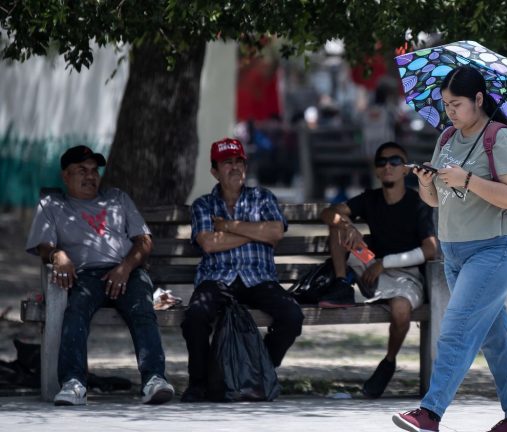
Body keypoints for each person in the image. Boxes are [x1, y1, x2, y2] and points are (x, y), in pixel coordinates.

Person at [393, 65, 507, 432]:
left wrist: (468, 179)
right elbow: (438, 200)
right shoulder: (446, 139)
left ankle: (430, 413)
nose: (450, 111)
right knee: (495, 336)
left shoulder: (500, 138)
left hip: (496, 250)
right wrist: (426, 184)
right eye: (445, 104)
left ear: (479, 100)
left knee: (455, 328)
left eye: (456, 104)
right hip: (454, 253)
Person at [25, 145, 174, 406]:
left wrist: (125, 268)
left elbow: (144, 241)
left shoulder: (117, 198)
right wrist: (58, 255)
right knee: (76, 309)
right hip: (84, 276)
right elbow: (44, 247)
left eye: (94, 170)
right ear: (65, 176)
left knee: (142, 309)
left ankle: (154, 380)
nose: (90, 176)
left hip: (125, 271)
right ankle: (74, 383)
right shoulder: (53, 204)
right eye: (81, 170)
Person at [180, 138, 303, 402]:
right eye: (227, 163)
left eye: (239, 161)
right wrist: (256, 233)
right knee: (195, 317)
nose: (234, 167)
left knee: (292, 315)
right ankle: (199, 383)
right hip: (217, 278)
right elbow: (210, 244)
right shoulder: (203, 205)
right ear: (214, 171)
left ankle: (260, 370)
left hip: (258, 278)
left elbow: (276, 231)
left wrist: (228, 226)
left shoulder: (263, 197)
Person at [319, 142, 437, 398]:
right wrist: (345, 223)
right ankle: (341, 284)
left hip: (405, 274)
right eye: (382, 162)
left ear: (405, 170)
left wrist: (387, 262)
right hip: (370, 265)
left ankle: (389, 362)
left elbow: (430, 249)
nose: (388, 166)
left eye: (396, 161)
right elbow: (328, 212)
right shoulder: (370, 198)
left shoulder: (417, 203)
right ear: (376, 170)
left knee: (401, 310)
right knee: (339, 227)